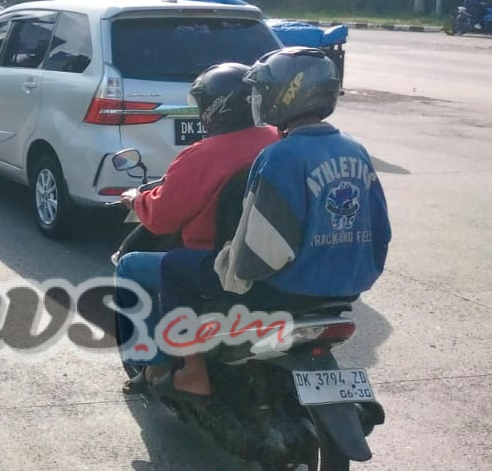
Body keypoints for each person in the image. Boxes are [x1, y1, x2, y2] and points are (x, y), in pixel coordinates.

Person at [152, 47, 390, 400]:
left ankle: (193, 372)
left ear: (285, 96)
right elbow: (381, 230)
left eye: (264, 91)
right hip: (349, 286)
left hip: (287, 288)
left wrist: (232, 268)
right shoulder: (354, 149)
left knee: (174, 265)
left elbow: (264, 242)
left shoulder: (280, 156)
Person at [112, 63, 279, 394]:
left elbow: (162, 218)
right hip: (270, 256)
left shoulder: (202, 155)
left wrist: (135, 200)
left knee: (129, 265)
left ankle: (154, 364)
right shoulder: (277, 138)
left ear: (215, 108)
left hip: (216, 261)